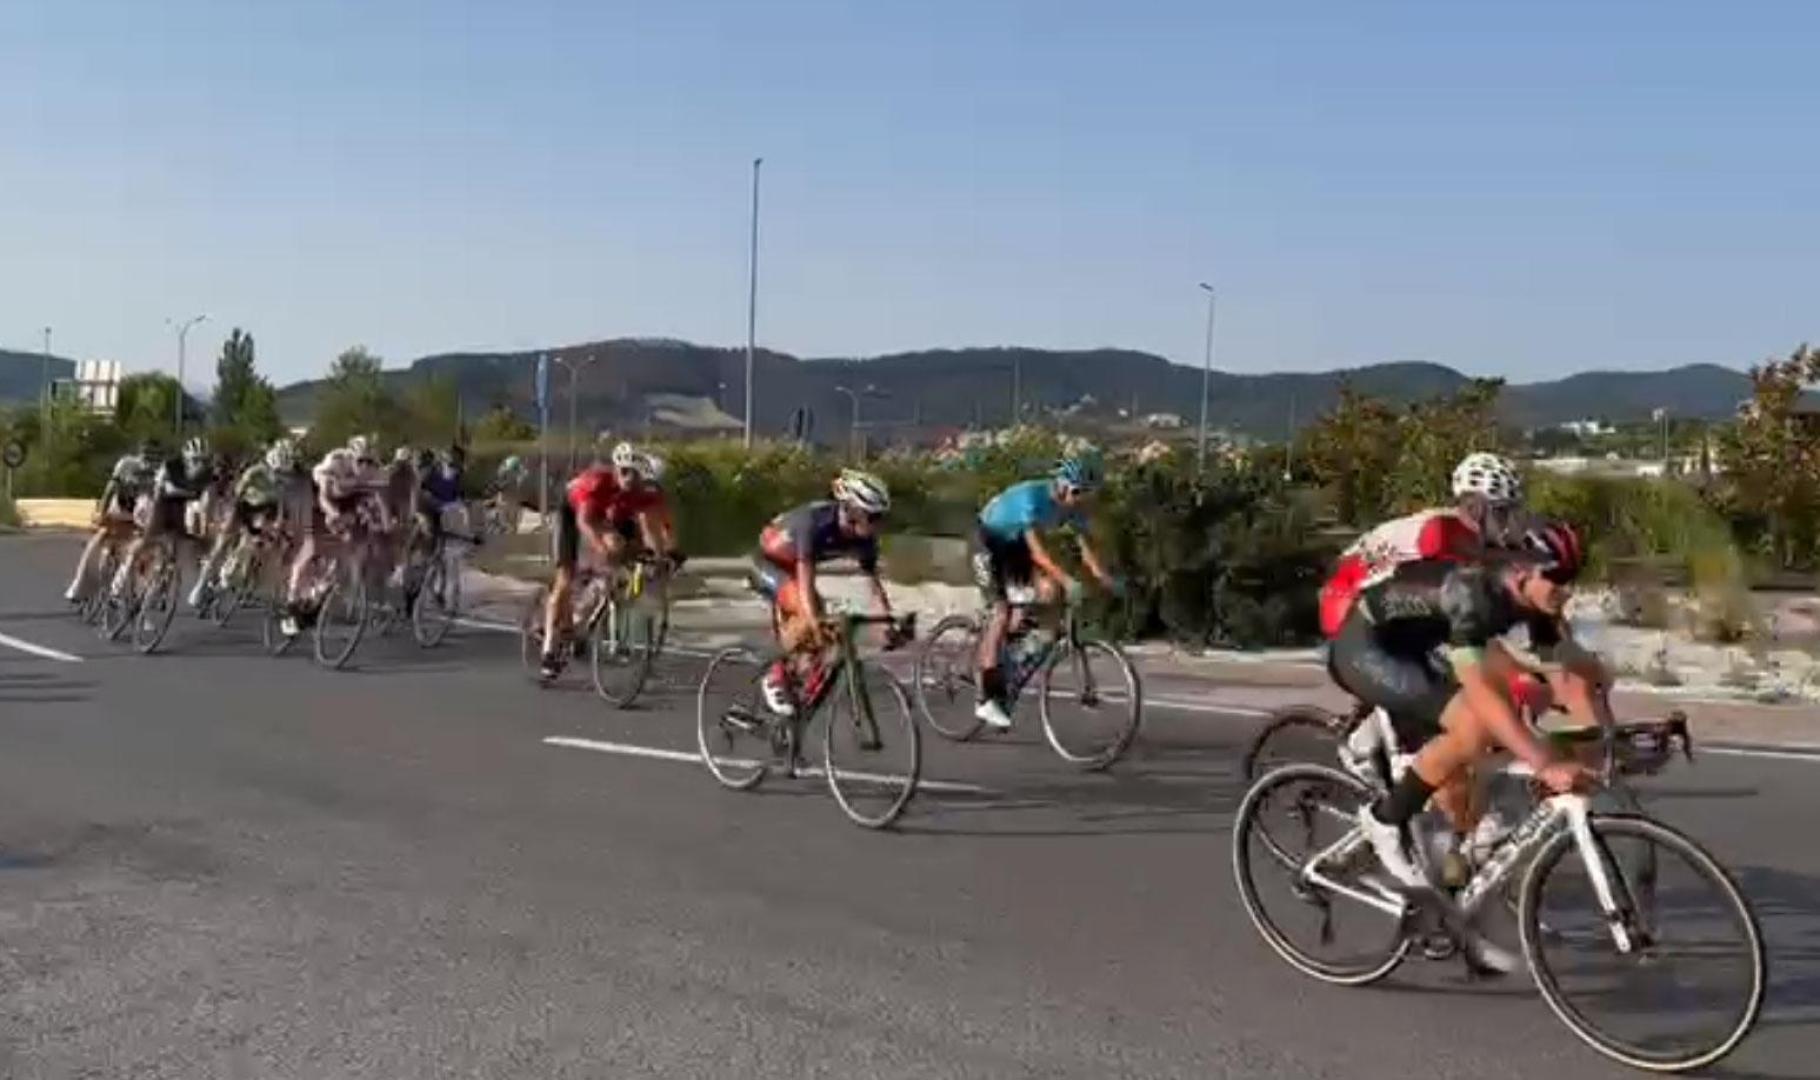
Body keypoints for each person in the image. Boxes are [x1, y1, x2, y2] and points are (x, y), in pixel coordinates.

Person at [1328, 520, 1599, 959]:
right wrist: (1544, 763)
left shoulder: (1538, 601)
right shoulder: (1473, 595)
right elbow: (1482, 695)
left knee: (1502, 725)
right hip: (1368, 647)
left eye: (1572, 579)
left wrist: (1606, 736)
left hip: (1420, 648)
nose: (1566, 591)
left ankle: (1451, 865)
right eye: (1559, 579)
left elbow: (1571, 675)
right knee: (1475, 726)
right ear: (1523, 572)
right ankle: (1383, 818)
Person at [970, 454, 1117, 731]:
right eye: (1078, 493)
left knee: (1046, 593)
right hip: (987, 540)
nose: (1082, 499)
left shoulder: (1073, 507)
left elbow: (1085, 548)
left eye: (1087, 494)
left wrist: (1103, 577)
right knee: (1001, 611)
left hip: (1014, 547)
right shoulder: (1032, 498)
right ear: (1062, 487)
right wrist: (1067, 579)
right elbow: (1037, 551)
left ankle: (1010, 648)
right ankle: (987, 697)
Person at [750, 468, 895, 717]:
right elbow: (805, 574)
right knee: (809, 616)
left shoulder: (864, 537)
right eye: (872, 517)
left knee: (821, 633)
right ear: (852, 510)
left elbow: (872, 579)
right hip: (770, 563)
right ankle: (775, 677)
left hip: (795, 567)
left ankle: (798, 682)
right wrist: (812, 619)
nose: (877, 524)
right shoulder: (815, 523)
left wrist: (887, 620)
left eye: (880, 517)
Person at [537, 442, 675, 681]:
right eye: (623, 472)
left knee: (620, 555)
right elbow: (584, 522)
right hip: (571, 512)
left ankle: (584, 617)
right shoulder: (599, 482)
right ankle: (549, 647)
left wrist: (663, 555)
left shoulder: (642, 491)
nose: (629, 478)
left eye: (634, 474)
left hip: (602, 514)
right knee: (565, 579)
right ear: (615, 470)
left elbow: (651, 526)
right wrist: (600, 548)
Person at [281, 434, 390, 637]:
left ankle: (321, 591)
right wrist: (333, 514)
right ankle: (292, 599)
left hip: (346, 501)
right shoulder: (336, 462)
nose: (364, 466)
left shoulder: (374, 474)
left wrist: (385, 523)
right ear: (351, 458)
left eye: (369, 462)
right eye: (360, 461)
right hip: (318, 500)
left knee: (346, 551)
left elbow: (379, 500)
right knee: (313, 545)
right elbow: (324, 497)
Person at [191, 439, 293, 607]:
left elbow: (282, 505)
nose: (278, 477)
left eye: (282, 473)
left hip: (264, 510)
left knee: (254, 544)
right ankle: (200, 586)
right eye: (276, 472)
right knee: (221, 544)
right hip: (243, 505)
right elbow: (238, 491)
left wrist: (279, 523)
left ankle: (238, 572)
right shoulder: (256, 471)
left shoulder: (286, 481)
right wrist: (229, 516)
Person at [111, 436, 213, 599]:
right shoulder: (171, 467)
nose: (199, 465)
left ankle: (161, 579)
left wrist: (201, 531)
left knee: (180, 543)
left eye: (204, 461)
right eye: (195, 460)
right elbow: (157, 495)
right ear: (185, 458)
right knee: (148, 538)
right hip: (154, 501)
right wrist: (155, 525)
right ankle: (121, 578)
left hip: (179, 503)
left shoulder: (207, 475)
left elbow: (207, 503)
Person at [66, 440, 158, 602]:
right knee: (100, 538)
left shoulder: (158, 472)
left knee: (145, 550)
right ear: (139, 453)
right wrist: (102, 511)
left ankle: (136, 591)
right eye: (146, 455)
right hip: (120, 506)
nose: (148, 460)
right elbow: (111, 488)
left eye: (153, 456)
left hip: (140, 511)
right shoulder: (126, 464)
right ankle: (79, 585)